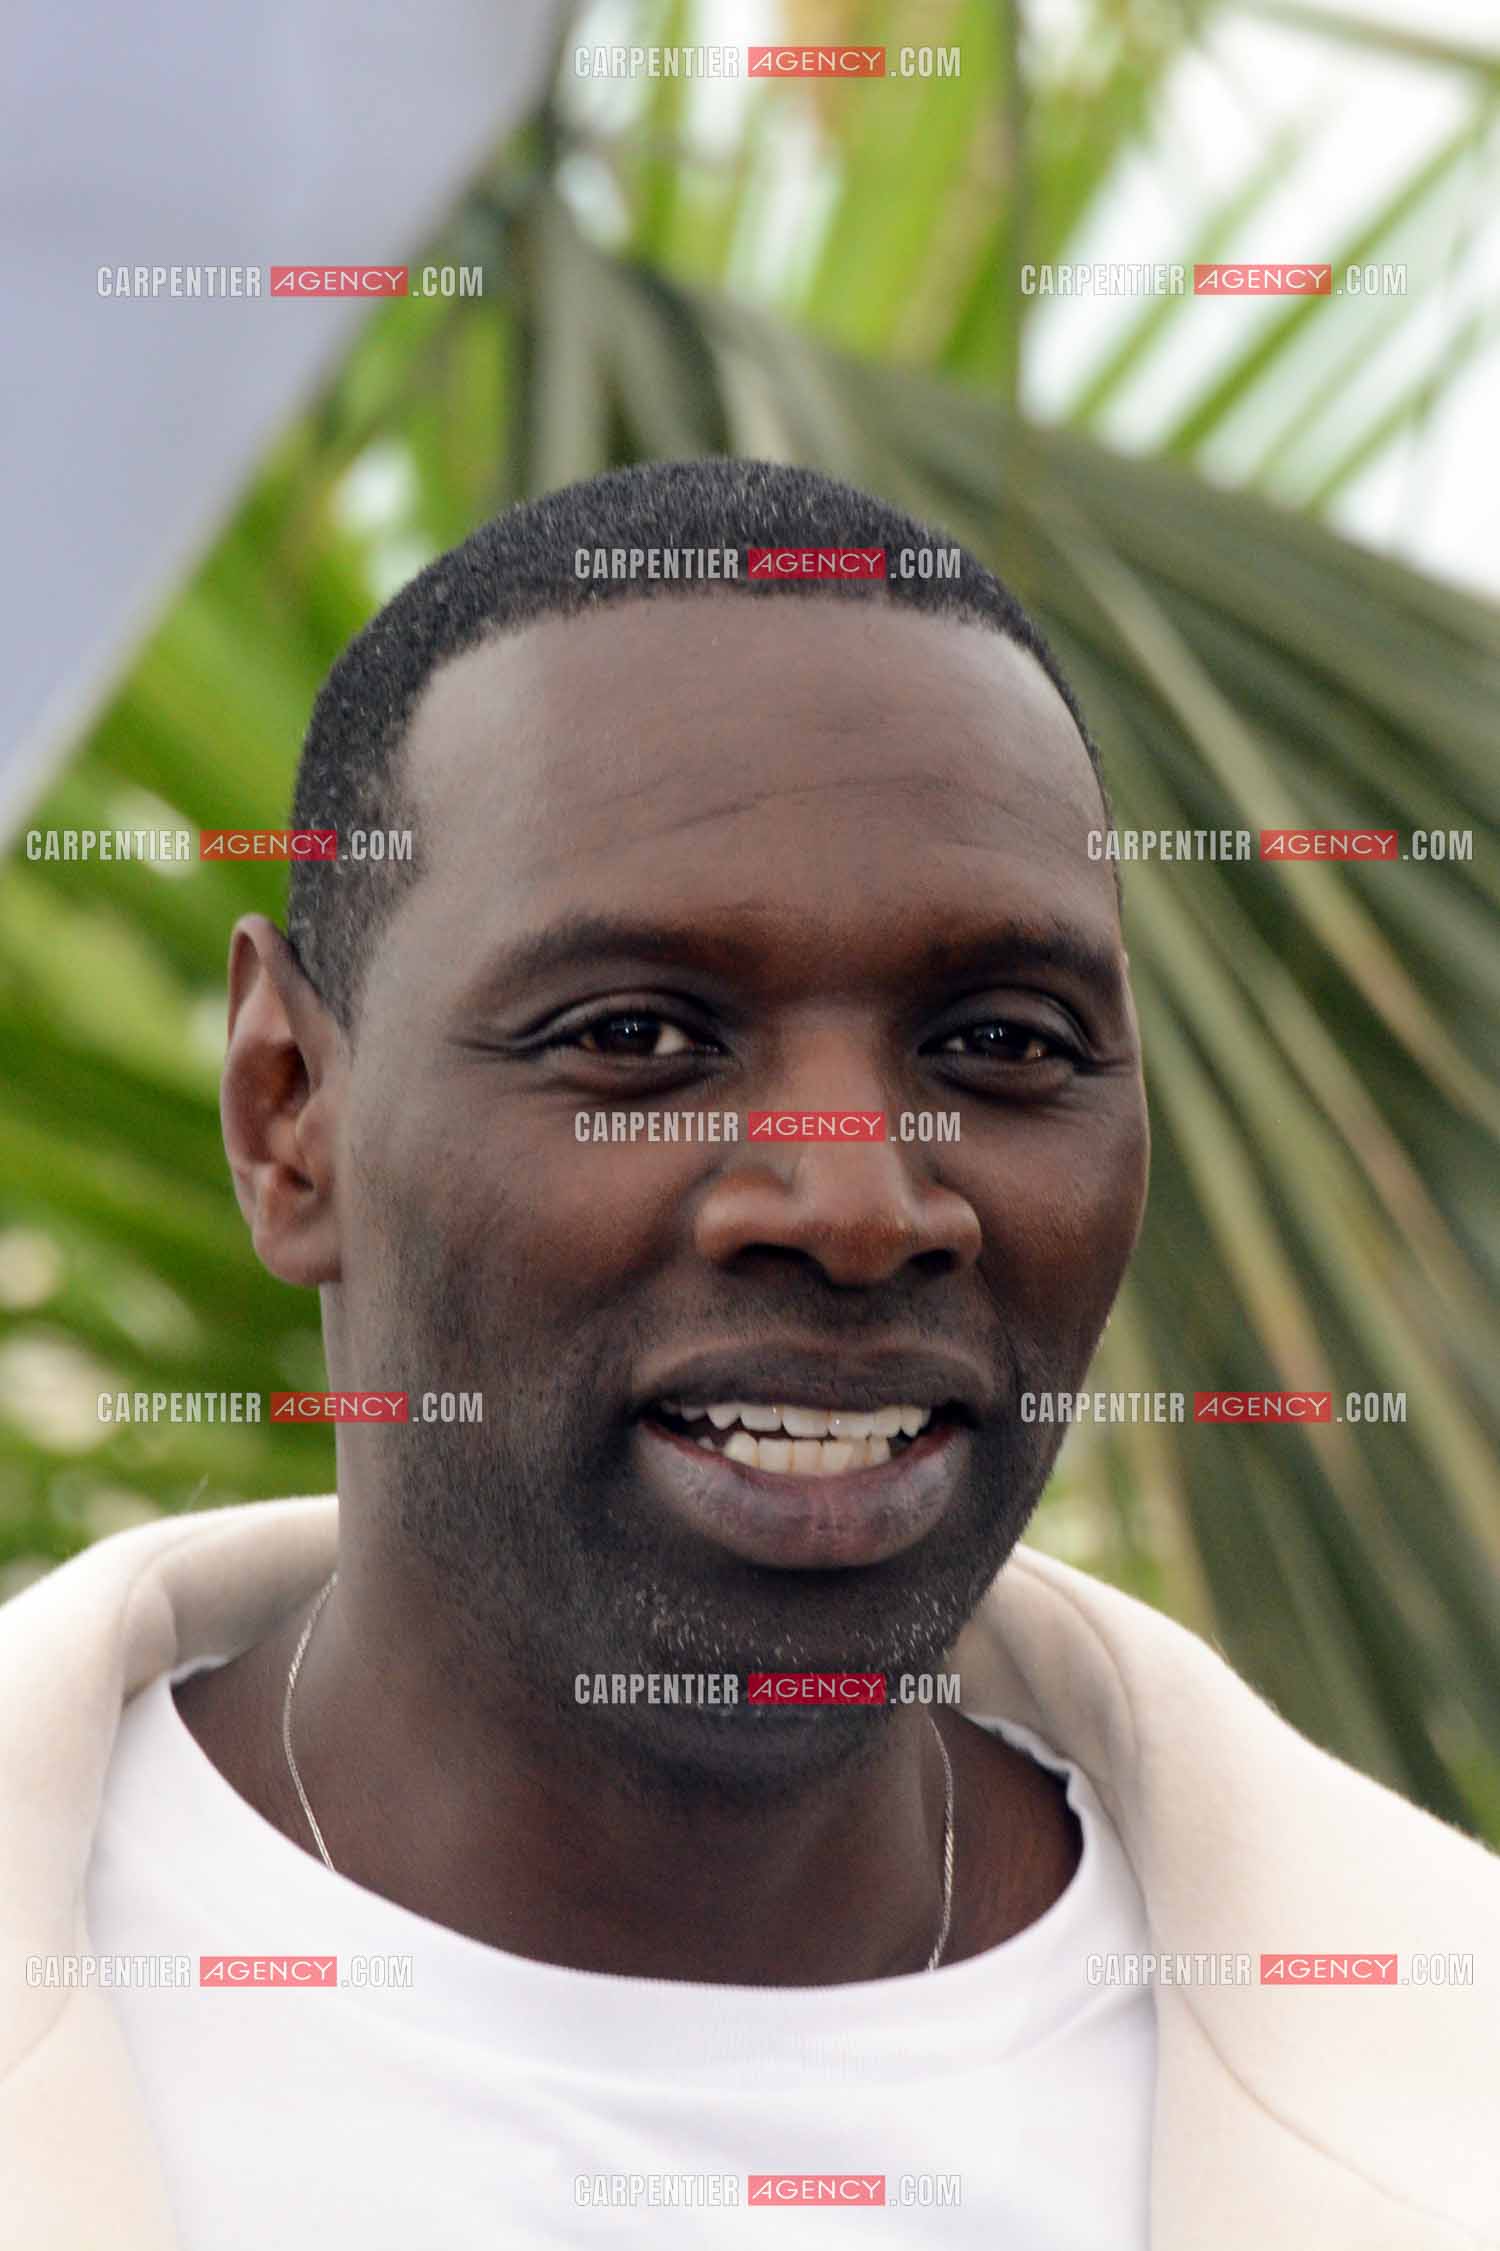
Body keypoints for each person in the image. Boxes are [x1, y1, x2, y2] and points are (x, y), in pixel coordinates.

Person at [1, 459, 1494, 2251]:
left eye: (1002, 1040)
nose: (861, 1205)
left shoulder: (1440, 2082)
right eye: (637, 1034)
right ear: (290, 1112)